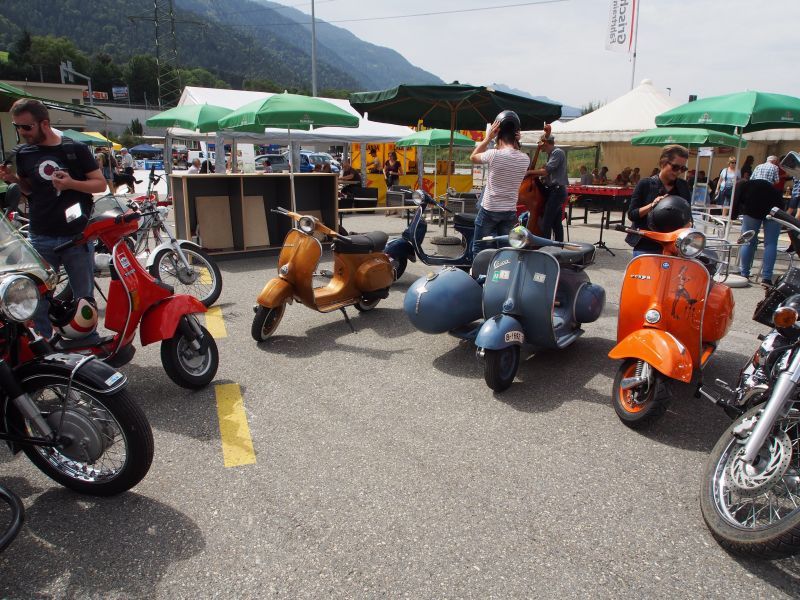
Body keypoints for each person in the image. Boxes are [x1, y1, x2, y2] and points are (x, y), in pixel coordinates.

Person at [0, 99, 106, 338]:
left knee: (83, 297)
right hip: (40, 235)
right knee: (36, 299)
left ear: (45, 124)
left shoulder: (75, 149)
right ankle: (44, 344)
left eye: (26, 127)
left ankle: (88, 341)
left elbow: (100, 184)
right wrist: (13, 180)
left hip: (76, 237)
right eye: (17, 127)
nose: (21, 132)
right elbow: (30, 191)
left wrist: (71, 183)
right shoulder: (24, 154)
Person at [469, 110, 529, 254]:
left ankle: (481, 269)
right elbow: (514, 153)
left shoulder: (493, 155)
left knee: (479, 248)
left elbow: (473, 157)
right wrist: (517, 142)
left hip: (489, 210)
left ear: (498, 135)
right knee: (506, 251)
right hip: (509, 212)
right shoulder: (525, 159)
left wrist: (487, 138)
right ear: (516, 135)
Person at [625, 144, 691, 256]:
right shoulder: (645, 184)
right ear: (662, 164)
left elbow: (688, 215)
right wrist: (652, 205)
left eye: (683, 168)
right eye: (675, 167)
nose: (679, 172)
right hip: (646, 244)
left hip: (673, 246)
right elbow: (632, 214)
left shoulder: (683, 186)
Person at [734, 178, 785, 285]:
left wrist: (734, 215)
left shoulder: (741, 187)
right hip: (775, 207)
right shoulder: (765, 185)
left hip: (752, 207)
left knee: (748, 241)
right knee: (771, 243)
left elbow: (735, 202)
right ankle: (767, 278)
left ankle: (744, 273)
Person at [527, 134, 569, 241]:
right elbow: (547, 174)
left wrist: (529, 172)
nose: (539, 147)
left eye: (541, 144)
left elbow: (546, 171)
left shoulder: (557, 152)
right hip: (556, 191)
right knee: (556, 223)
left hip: (557, 191)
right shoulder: (551, 154)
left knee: (546, 223)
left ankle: (546, 246)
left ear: (545, 143)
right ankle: (559, 246)